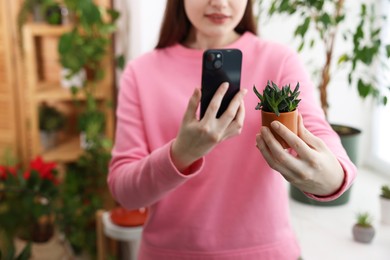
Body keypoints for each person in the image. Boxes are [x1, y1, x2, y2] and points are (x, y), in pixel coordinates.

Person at [108, 0, 357, 259]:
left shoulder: (278, 61)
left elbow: (324, 141)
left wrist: (331, 179)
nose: (219, 3)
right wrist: (181, 153)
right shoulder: (141, 73)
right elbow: (125, 193)